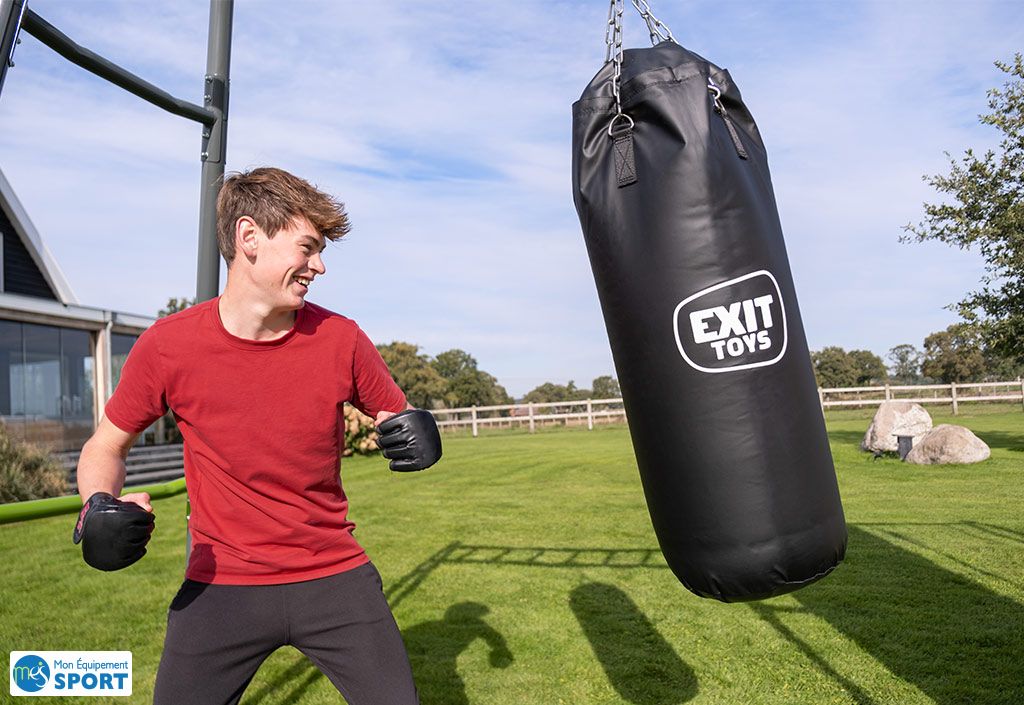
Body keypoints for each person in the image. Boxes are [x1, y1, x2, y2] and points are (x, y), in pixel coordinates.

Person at [71, 167, 441, 705]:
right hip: (223, 584)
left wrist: (422, 432)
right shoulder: (168, 346)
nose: (319, 265)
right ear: (249, 238)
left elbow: (399, 415)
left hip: (334, 575)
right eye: (308, 247)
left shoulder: (341, 338)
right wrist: (95, 505)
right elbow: (106, 444)